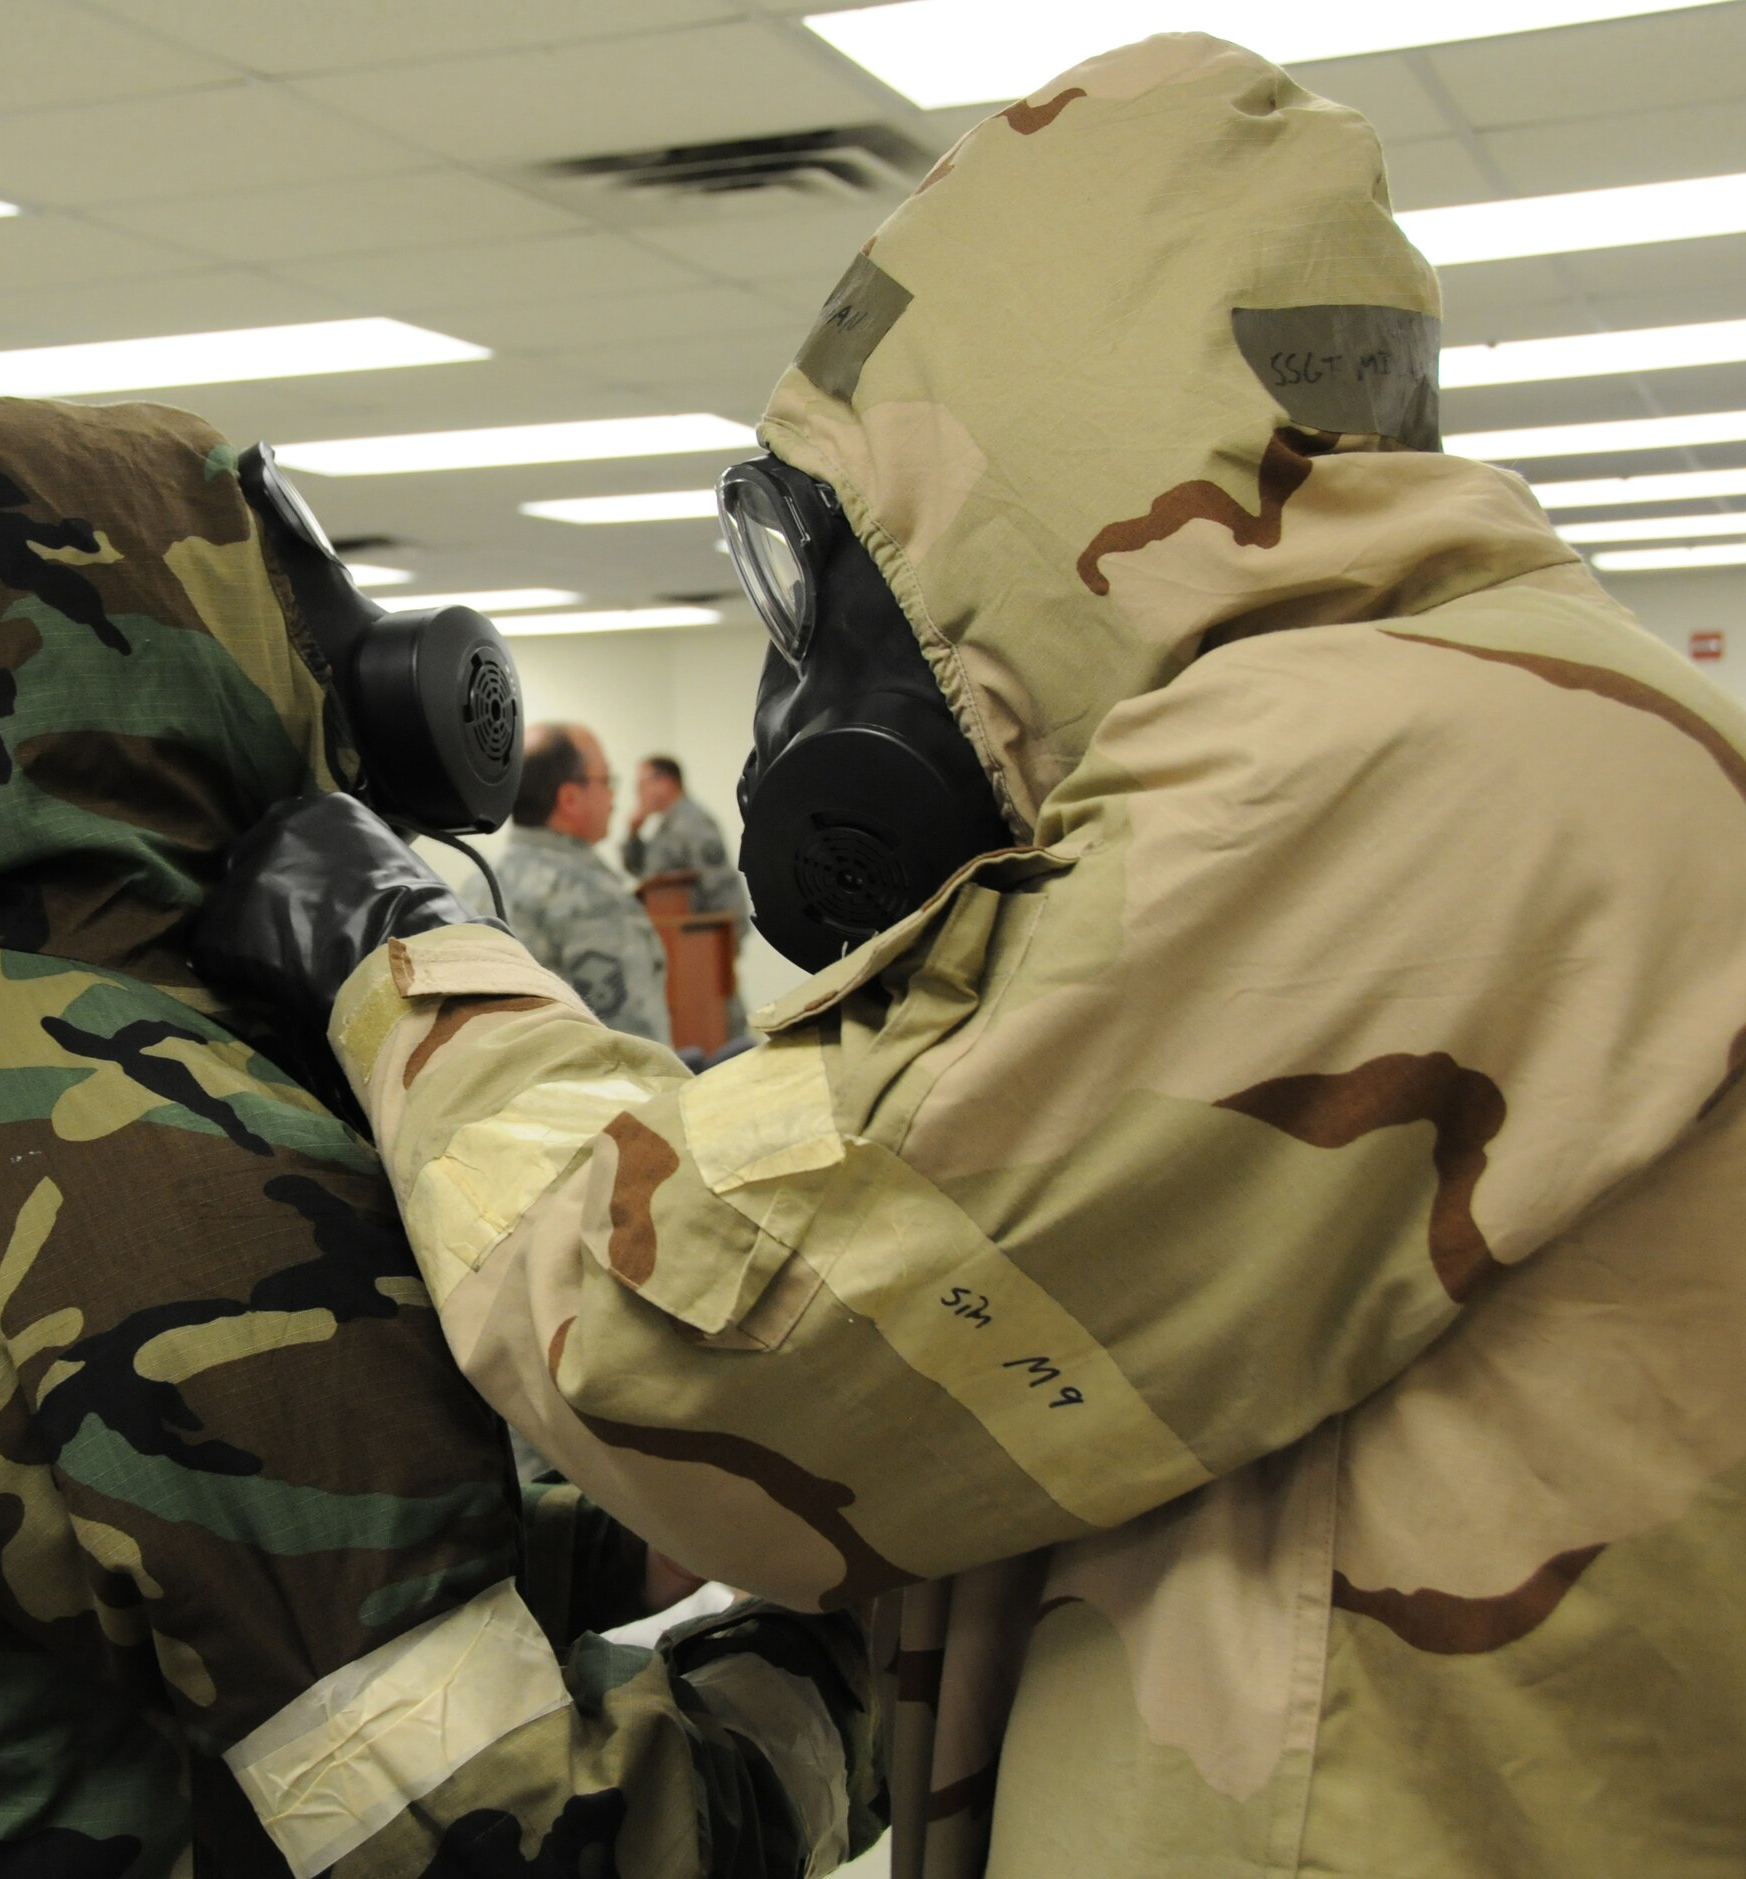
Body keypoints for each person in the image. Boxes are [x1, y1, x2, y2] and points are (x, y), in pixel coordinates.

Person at [195, 34, 1746, 1879]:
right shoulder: (1497, 719)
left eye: (857, 549)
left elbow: (703, 1342)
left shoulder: (1382, 765)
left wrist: (408, 956)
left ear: (1026, 483)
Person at [0, 397, 878, 1875]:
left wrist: (618, 1538)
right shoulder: (175, 1164)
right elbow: (524, 1837)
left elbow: (179, 1544)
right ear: (182, 658)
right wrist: (871, 1660)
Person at [462, 722, 675, 1045]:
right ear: (570, 799)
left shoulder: (476, 887)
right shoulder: (592, 898)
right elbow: (634, 1048)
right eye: (606, 781)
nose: (614, 795)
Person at [623, 756, 752, 1039]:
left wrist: (726, 945)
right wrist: (633, 833)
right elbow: (642, 873)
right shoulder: (667, 826)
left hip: (703, 949)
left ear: (666, 782)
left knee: (723, 1027)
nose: (638, 793)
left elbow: (719, 886)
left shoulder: (692, 823)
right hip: (683, 952)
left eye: (642, 784)